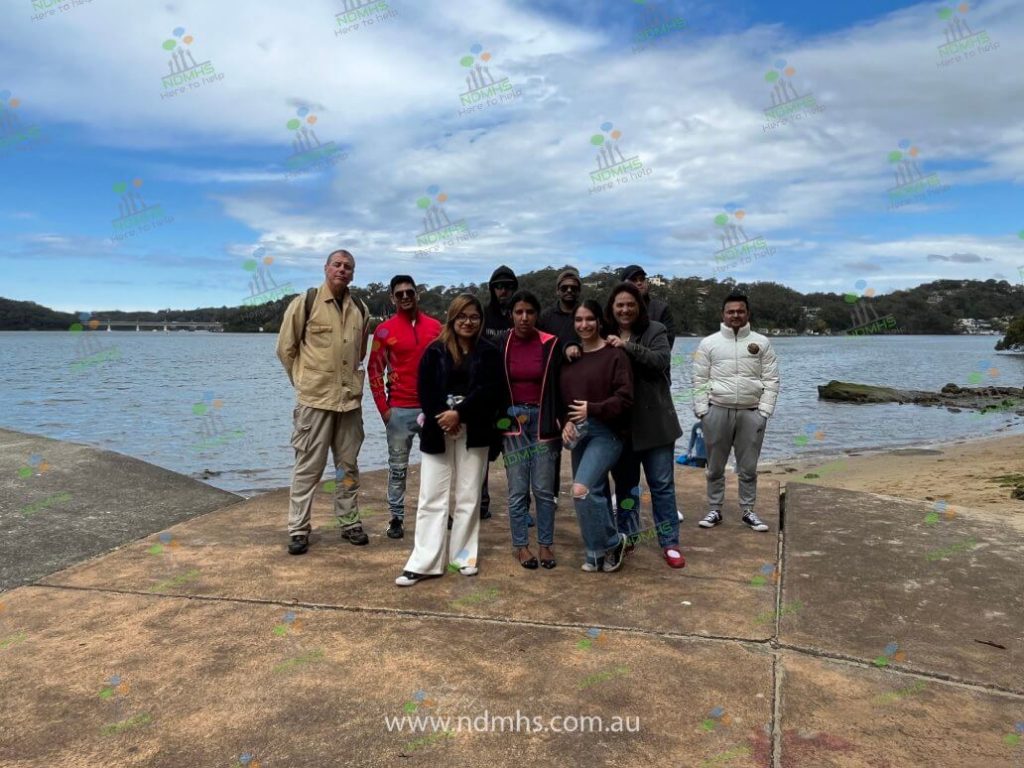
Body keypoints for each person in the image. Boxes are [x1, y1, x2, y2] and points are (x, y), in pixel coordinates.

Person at [396, 294, 499, 586]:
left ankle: (463, 557)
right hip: (438, 431)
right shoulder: (435, 351)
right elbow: (425, 391)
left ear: (480, 320)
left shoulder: (489, 352)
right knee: (432, 497)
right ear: (452, 318)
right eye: (462, 316)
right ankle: (424, 562)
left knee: (468, 496)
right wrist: (445, 416)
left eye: (474, 317)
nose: (468, 322)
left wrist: (461, 413)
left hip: (475, 430)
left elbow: (490, 391)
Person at [276, 249, 371, 555]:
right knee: (307, 468)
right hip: (315, 402)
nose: (342, 270)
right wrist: (304, 382)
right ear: (326, 268)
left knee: (348, 468)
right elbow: (285, 350)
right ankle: (298, 528)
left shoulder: (360, 308)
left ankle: (349, 521)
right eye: (337, 265)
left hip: (349, 403)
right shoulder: (305, 303)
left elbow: (360, 353)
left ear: (353, 274)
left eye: (348, 267)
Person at [605, 282, 685, 569]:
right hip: (622, 427)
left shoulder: (655, 330)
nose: (625, 309)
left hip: (656, 424)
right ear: (612, 309)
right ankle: (628, 535)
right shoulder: (604, 333)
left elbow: (660, 361)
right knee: (626, 487)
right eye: (619, 305)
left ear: (639, 306)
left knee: (661, 485)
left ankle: (670, 542)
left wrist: (626, 346)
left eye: (630, 304)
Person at [692, 292, 780, 532]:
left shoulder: (762, 342)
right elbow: (699, 379)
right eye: (730, 311)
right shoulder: (708, 343)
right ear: (723, 314)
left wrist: (764, 411)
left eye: (740, 311)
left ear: (747, 313)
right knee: (715, 467)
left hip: (751, 413)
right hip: (717, 410)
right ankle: (714, 509)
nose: (735, 315)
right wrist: (703, 411)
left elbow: (772, 379)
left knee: (748, 468)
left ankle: (748, 510)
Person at [560, 300, 633, 573]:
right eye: (578, 320)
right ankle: (595, 551)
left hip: (608, 432)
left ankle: (614, 541)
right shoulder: (570, 358)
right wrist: (565, 422)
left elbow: (626, 399)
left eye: (589, 319)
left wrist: (594, 408)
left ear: (599, 321)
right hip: (579, 432)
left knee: (581, 489)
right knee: (593, 493)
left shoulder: (615, 354)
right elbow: (563, 398)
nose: (584, 325)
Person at [367, 275, 442, 540]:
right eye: (399, 294)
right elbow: (374, 370)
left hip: (431, 409)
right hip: (398, 410)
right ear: (392, 298)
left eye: (409, 292)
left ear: (417, 294)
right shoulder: (384, 331)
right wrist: (384, 410)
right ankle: (396, 518)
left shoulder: (436, 328)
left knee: (438, 464)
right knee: (397, 468)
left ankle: (438, 513)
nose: (405, 297)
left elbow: (448, 366)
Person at [496, 290, 563, 569]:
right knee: (517, 489)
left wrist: (564, 419)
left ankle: (545, 544)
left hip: (544, 421)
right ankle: (521, 546)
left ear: (537, 315)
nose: (524, 318)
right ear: (511, 315)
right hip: (513, 421)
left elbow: (562, 383)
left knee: (544, 488)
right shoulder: (502, 342)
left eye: (530, 312)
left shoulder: (550, 343)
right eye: (518, 312)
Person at [479, 265, 520, 519]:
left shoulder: (520, 314)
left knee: (515, 456)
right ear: (492, 289)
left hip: (514, 399)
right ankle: (480, 504)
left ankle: (520, 509)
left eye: (508, 286)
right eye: (498, 286)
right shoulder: (483, 316)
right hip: (487, 398)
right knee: (481, 455)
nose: (503, 290)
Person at [620, 265, 676, 350]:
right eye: (634, 280)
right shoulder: (615, 311)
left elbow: (664, 348)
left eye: (642, 279)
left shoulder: (661, 309)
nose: (639, 283)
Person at [538, 267, 583, 345]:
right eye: (564, 288)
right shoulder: (545, 317)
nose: (569, 290)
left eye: (574, 288)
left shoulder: (587, 315)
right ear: (557, 291)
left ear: (579, 291)